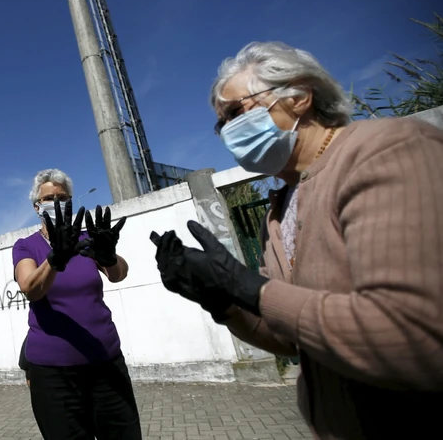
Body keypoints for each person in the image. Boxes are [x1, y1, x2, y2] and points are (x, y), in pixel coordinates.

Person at [150, 41, 443, 439]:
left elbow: (414, 336)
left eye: (236, 112)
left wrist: (249, 287)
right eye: (222, 124)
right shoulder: (279, 211)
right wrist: (222, 301)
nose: (229, 131)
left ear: (300, 96)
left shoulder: (386, 150)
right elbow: (288, 337)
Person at [13, 169, 142, 440]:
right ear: (37, 206)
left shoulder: (86, 238)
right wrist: (56, 258)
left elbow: (119, 274)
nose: (56, 203)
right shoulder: (26, 246)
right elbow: (31, 289)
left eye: (62, 197)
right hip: (53, 374)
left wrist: (108, 257)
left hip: (106, 362)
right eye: (49, 198)